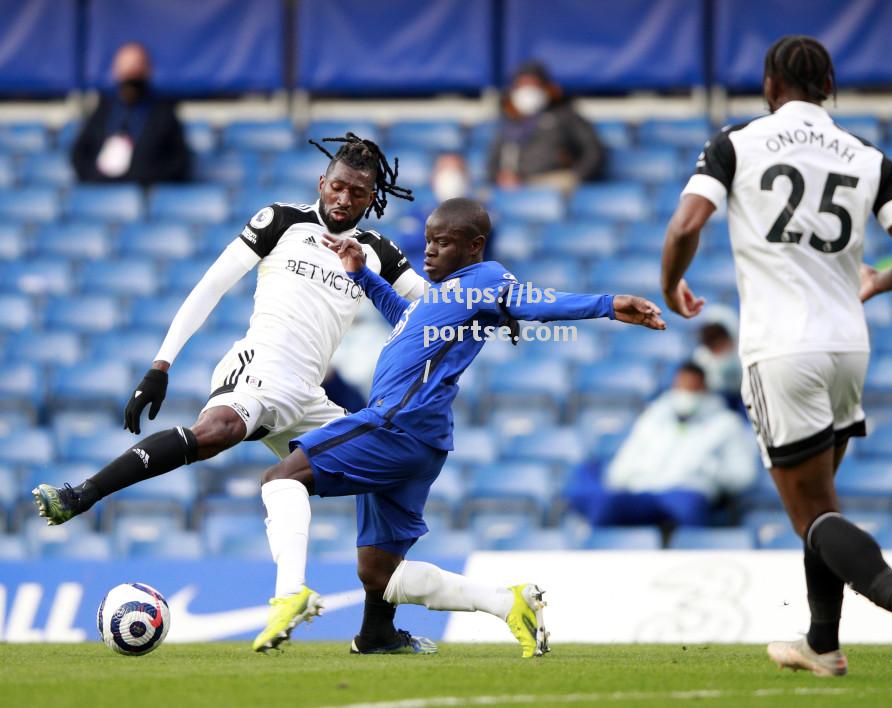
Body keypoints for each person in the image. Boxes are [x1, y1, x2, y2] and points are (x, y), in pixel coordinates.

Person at [660, 35, 892, 683]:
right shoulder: (869, 155)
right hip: (846, 347)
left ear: (771, 85)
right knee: (822, 504)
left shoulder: (737, 142)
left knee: (813, 516)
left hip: (781, 347)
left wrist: (670, 285)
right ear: (829, 85)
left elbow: (687, 225)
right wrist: (875, 282)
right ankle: (823, 645)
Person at [252, 197, 665, 656]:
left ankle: (291, 593)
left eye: (442, 243)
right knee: (378, 572)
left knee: (280, 478)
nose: (428, 252)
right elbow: (408, 320)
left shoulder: (485, 279)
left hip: (397, 425)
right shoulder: (447, 296)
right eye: (428, 241)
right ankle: (490, 607)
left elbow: (531, 303)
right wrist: (362, 274)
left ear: (475, 246)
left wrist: (607, 304)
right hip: (420, 441)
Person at [33, 132, 426, 529]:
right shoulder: (282, 221)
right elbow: (211, 287)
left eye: (357, 193)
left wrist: (480, 301)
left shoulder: (378, 252)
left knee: (390, 463)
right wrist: (160, 366)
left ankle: (355, 590)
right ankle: (82, 493)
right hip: (260, 369)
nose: (344, 199)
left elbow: (435, 310)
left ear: (372, 196)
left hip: (308, 396)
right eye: (338, 187)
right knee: (219, 432)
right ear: (322, 184)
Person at [565, 362, 756, 536]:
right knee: (607, 505)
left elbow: (742, 476)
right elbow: (623, 464)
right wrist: (627, 480)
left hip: (687, 491)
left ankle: (691, 562)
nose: (685, 394)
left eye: (691, 388)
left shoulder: (725, 424)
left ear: (704, 389)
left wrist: (710, 470)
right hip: (643, 490)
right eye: (680, 387)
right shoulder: (653, 417)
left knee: (689, 507)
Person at [71, 42, 190, 184]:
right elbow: (79, 154)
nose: (131, 74)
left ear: (148, 70)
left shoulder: (164, 113)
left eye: (136, 67)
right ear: (115, 71)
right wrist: (96, 178)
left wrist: (145, 180)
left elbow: (179, 163)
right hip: (101, 190)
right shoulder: (102, 112)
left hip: (144, 194)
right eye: (125, 68)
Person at [488, 61, 605, 193]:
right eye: (522, 85)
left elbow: (593, 152)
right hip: (515, 187)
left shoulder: (565, 115)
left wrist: (576, 177)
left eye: (533, 85)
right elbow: (493, 163)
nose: (527, 91)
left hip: (554, 186)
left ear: (546, 87)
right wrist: (499, 177)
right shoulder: (509, 120)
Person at [690, 306, 743, 412]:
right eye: (711, 339)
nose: (716, 344)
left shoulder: (746, 353)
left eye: (719, 337)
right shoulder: (700, 358)